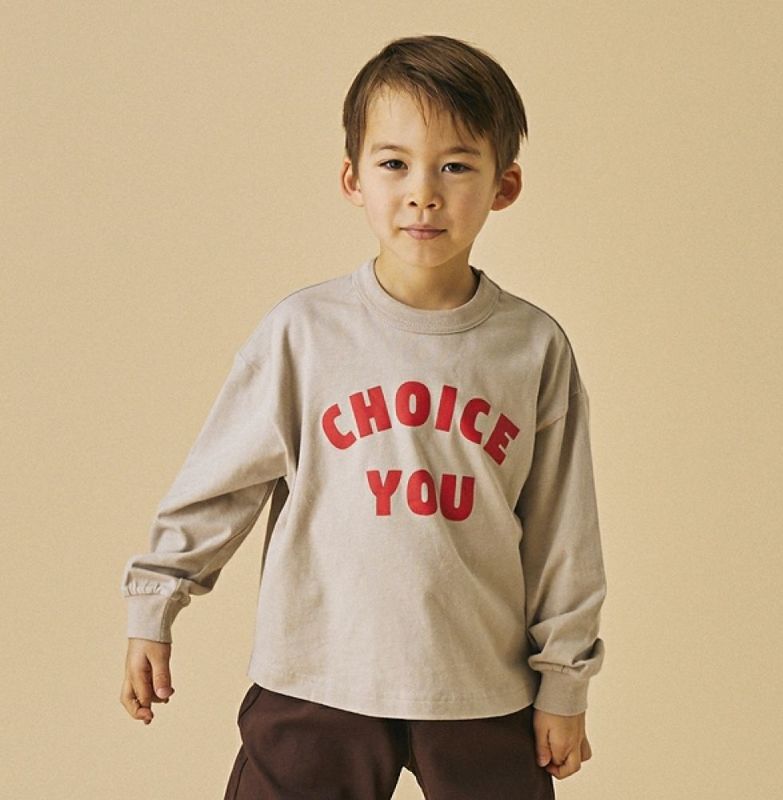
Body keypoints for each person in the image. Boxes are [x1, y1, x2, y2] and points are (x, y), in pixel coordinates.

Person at [119, 34, 607, 799]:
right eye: (394, 164)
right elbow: (221, 485)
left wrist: (565, 681)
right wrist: (156, 600)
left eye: (456, 166)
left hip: (479, 682)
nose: (423, 193)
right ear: (353, 178)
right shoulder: (304, 334)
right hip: (319, 674)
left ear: (504, 185)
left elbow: (562, 533)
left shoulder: (532, 347)